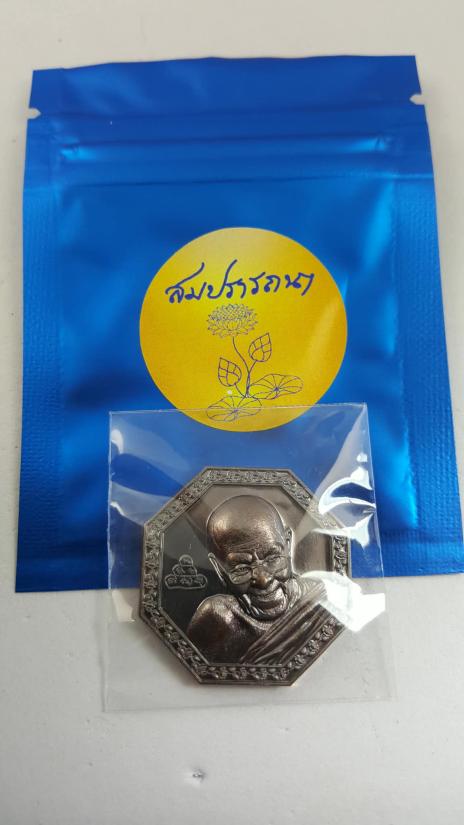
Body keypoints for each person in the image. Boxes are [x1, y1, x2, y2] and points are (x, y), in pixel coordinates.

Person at [187, 495, 327, 664]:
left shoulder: (320, 598)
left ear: (288, 544)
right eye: (242, 568)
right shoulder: (217, 618)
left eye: (273, 558)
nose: (263, 580)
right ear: (219, 569)